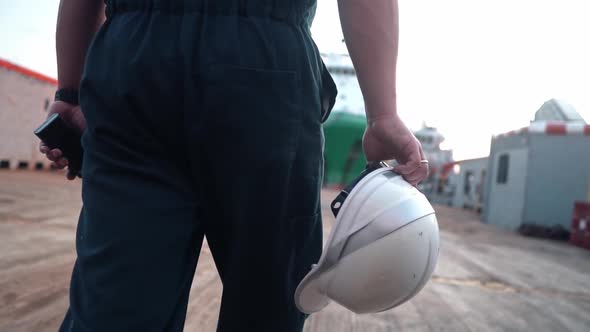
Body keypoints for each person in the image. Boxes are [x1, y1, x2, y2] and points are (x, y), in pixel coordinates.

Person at [40, 0, 428, 331]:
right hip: (265, 65)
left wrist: (70, 91)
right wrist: (382, 115)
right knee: (268, 303)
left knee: (114, 303)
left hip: (135, 64)